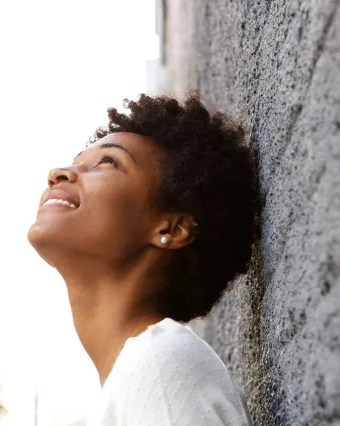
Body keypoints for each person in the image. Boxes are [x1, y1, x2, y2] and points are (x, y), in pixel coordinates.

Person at [28, 93, 257, 425]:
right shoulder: (145, 374)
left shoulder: (158, 367)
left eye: (108, 163)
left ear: (172, 227)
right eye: (77, 161)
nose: (58, 173)